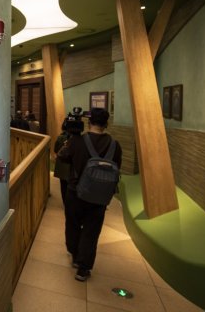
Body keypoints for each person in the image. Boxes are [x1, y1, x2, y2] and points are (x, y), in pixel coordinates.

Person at [56, 108, 122, 281]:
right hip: (100, 197)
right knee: (91, 232)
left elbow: (61, 156)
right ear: (106, 124)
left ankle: (75, 255)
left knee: (73, 224)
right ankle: (83, 269)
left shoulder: (77, 141)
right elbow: (117, 168)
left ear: (89, 122)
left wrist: (70, 139)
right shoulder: (115, 145)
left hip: (75, 192)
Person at [53, 121, 71, 205]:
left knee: (63, 185)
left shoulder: (60, 137)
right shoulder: (76, 138)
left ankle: (65, 202)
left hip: (62, 165)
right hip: (71, 166)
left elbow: (56, 150)